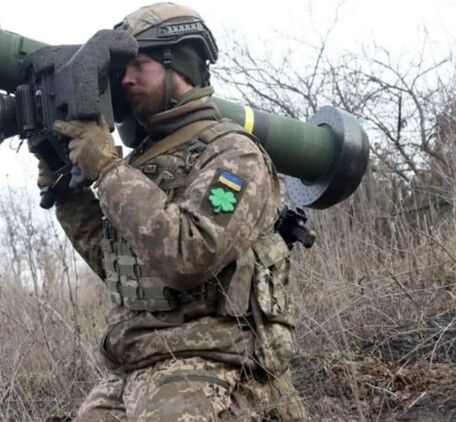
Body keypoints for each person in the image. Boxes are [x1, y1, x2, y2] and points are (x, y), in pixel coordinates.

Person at [40, 3, 306, 420]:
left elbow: (190, 254)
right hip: (137, 365)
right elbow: (119, 268)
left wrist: (108, 171)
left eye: (139, 66)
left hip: (215, 361)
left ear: (178, 66)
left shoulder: (233, 155)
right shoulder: (142, 161)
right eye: (123, 69)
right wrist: (68, 194)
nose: (125, 79)